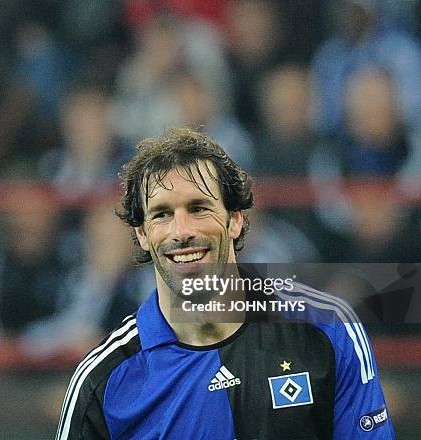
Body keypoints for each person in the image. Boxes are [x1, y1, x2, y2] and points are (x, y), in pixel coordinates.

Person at [55, 128, 394, 439]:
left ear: (235, 220)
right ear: (142, 235)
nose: (182, 231)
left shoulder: (327, 327)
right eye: (162, 214)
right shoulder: (104, 379)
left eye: (199, 208)